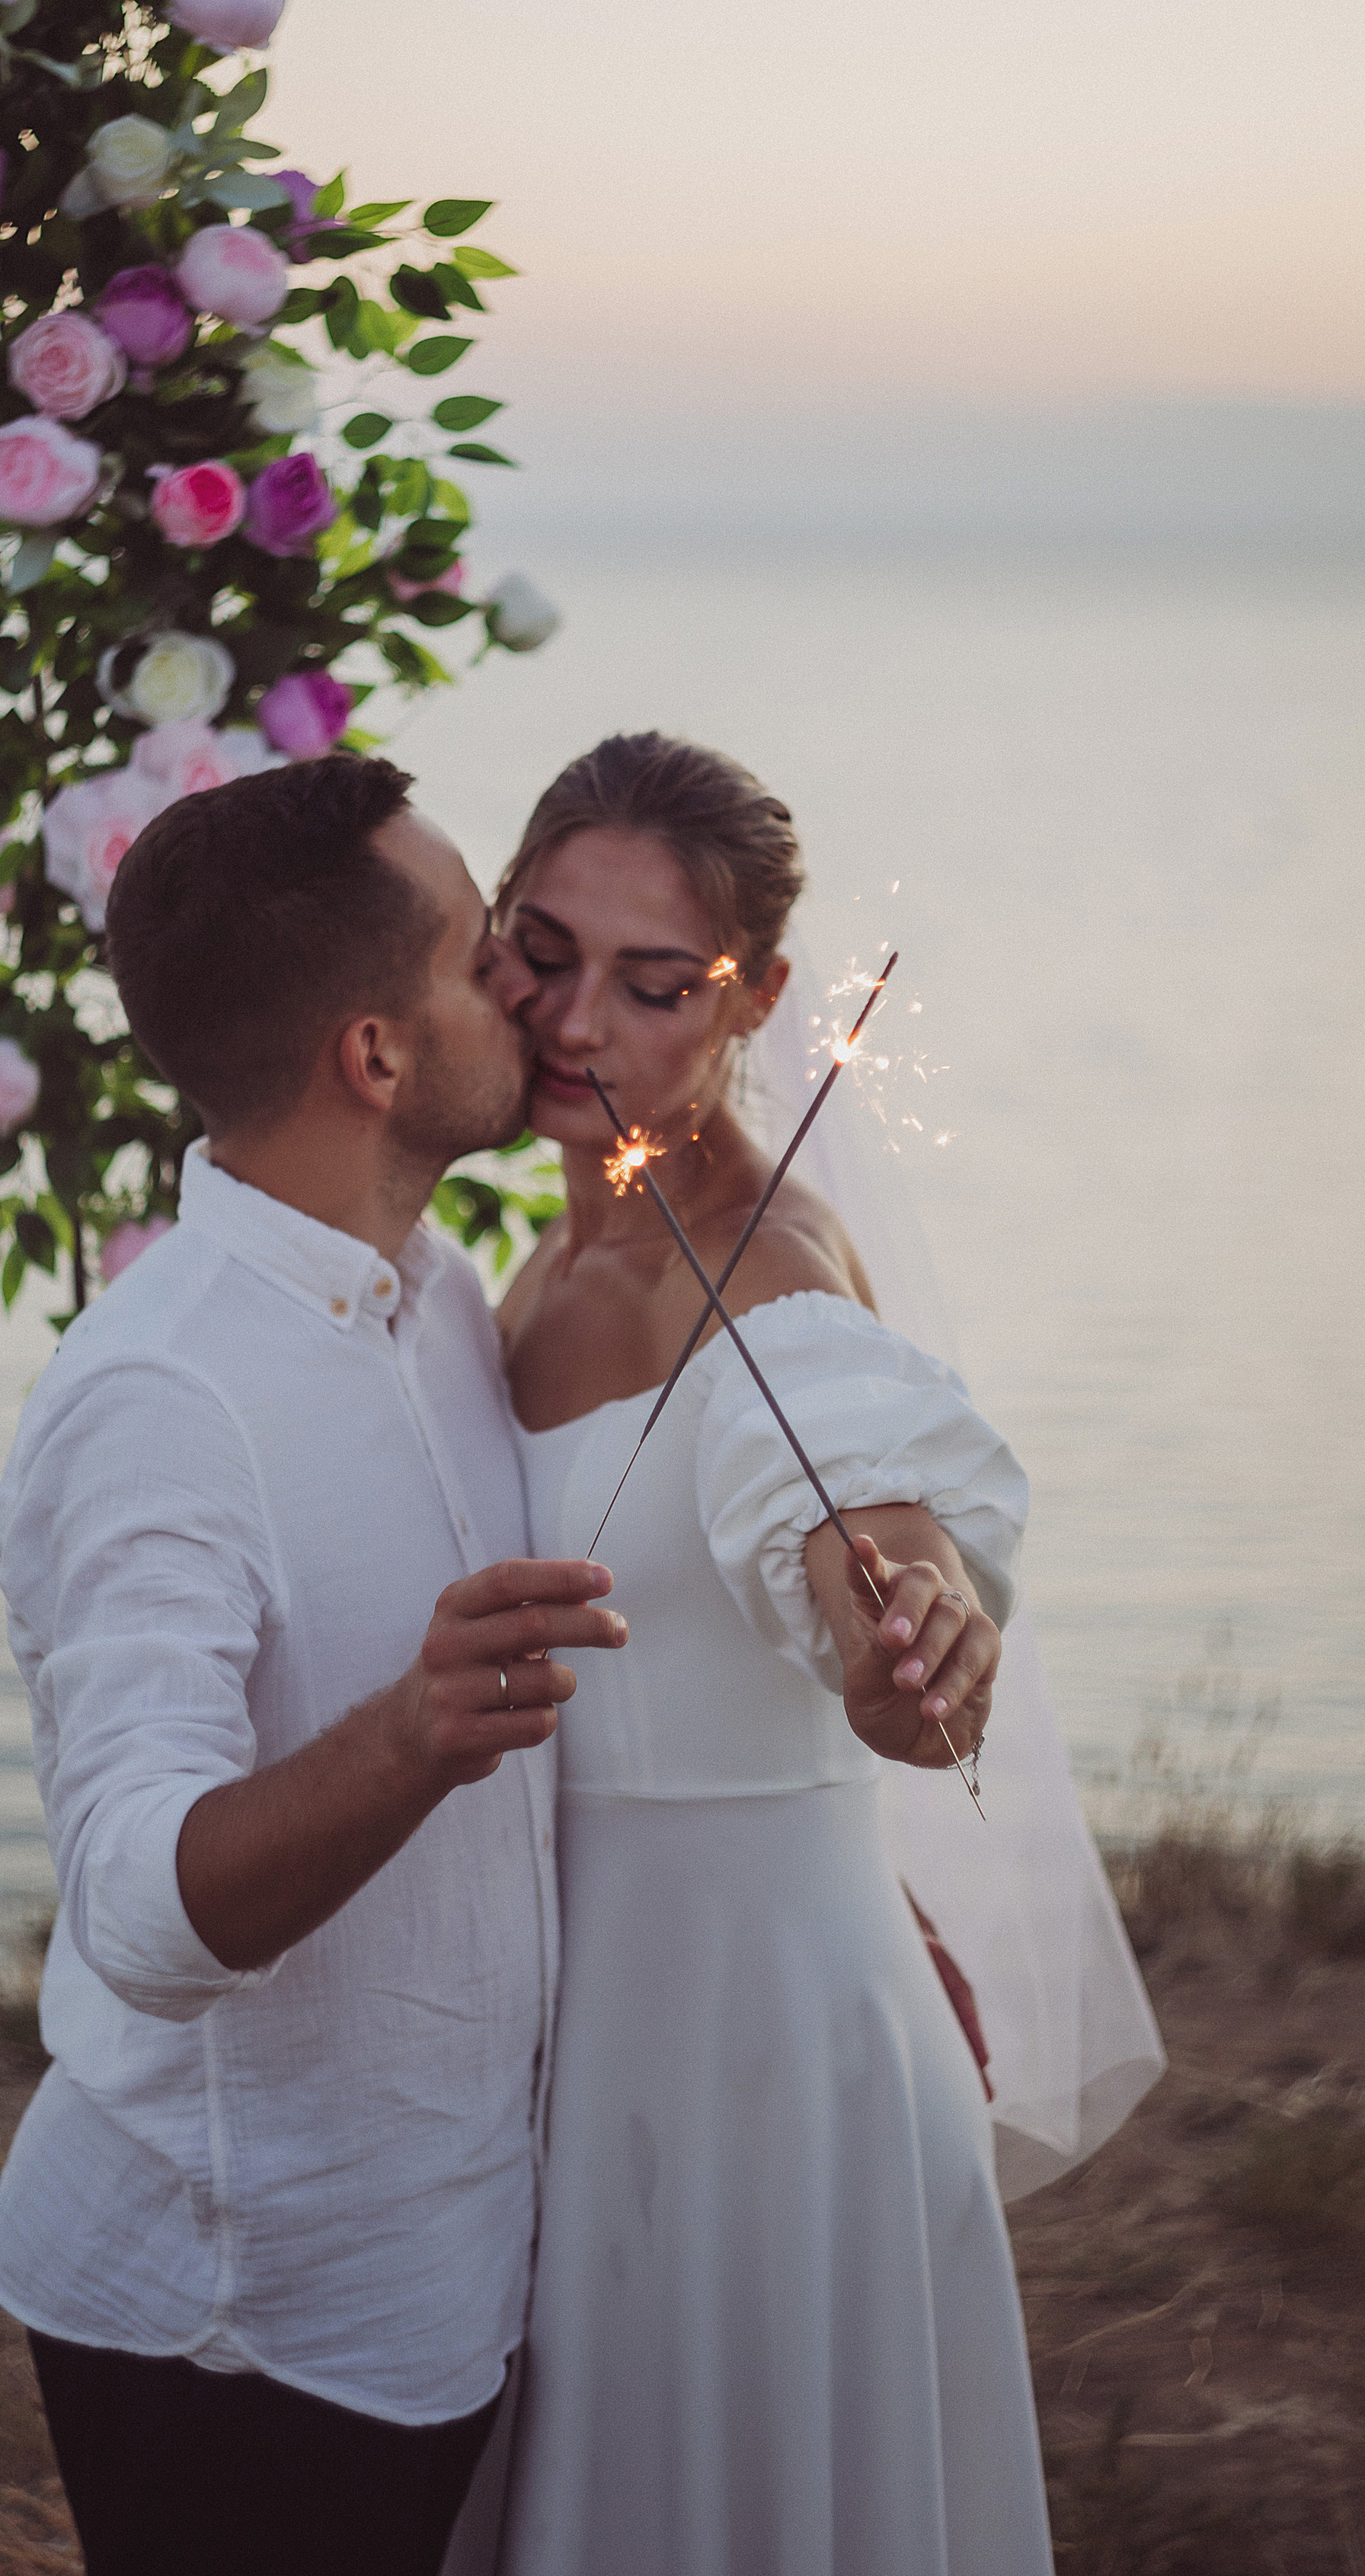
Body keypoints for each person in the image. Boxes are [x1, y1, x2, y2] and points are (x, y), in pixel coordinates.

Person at [0, 756, 638, 2576]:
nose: (526, 988)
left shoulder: (438, 1297)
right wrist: (408, 1734)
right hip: (242, 2322)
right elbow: (133, 1908)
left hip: (448, 2276)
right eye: (482, 954)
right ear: (374, 1054)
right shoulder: (158, 1398)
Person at [485, 734, 1059, 2576]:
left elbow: (843, 1498)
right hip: (582, 2037)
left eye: (654, 985)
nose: (577, 1021)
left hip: (755, 2053)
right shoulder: (536, 1269)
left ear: (754, 999)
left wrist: (909, 1634)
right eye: (541, 952)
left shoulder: (769, 1270)